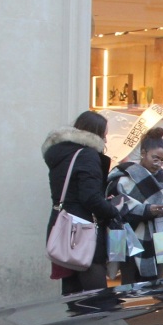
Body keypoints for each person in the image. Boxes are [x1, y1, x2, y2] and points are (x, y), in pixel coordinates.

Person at [42, 110, 122, 294]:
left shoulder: (61, 154)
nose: (106, 140)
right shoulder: (87, 155)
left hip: (62, 227)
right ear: (95, 133)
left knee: (72, 295)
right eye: (104, 135)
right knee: (98, 300)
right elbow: (90, 198)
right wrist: (112, 210)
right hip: (82, 232)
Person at [106, 126, 163, 285]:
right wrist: (148, 210)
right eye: (155, 158)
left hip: (158, 241)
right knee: (129, 287)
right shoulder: (125, 175)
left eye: (162, 160)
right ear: (143, 153)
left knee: (156, 287)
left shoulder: (162, 177)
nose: (159, 164)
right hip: (128, 239)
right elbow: (115, 206)